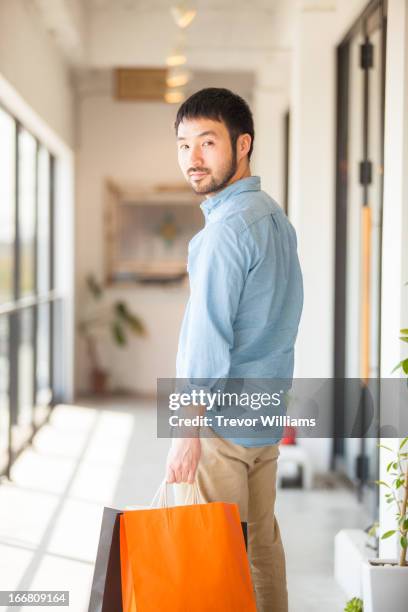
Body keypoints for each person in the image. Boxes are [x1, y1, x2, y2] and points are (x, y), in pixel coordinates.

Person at [165, 87, 303, 612]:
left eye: (207, 142)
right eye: (182, 145)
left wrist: (185, 428)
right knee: (260, 546)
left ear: (242, 144)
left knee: (212, 558)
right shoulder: (275, 220)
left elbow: (207, 337)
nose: (192, 159)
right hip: (265, 415)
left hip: (221, 424)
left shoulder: (224, 233)